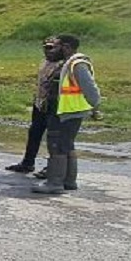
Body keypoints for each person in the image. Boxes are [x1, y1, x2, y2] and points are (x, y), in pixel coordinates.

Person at [32, 35, 101, 195]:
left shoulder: (76, 64)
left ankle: (54, 183)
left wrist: (95, 107)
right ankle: (69, 181)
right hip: (67, 111)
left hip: (68, 112)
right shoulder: (68, 63)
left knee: (57, 146)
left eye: (57, 46)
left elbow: (91, 90)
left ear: (67, 47)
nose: (53, 49)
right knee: (67, 145)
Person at [5, 37, 61, 175]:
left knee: (53, 138)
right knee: (34, 133)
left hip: (54, 105)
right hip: (40, 103)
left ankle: (52, 167)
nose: (48, 51)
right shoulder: (45, 62)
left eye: (51, 48)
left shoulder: (63, 65)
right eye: (46, 47)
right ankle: (28, 162)